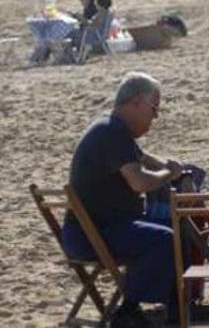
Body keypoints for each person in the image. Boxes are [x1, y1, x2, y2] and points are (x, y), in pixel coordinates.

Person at [60, 72, 195, 326]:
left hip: (98, 229)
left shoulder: (111, 129)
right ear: (135, 102)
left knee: (174, 231)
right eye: (154, 110)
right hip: (94, 235)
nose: (154, 118)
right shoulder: (112, 133)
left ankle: (179, 308)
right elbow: (140, 182)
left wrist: (172, 166)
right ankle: (128, 310)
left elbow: (142, 157)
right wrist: (169, 174)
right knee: (166, 239)